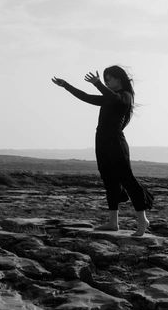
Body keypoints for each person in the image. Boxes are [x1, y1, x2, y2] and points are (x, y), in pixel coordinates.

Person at [52, 66, 154, 236]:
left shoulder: (125, 97)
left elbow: (114, 97)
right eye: (105, 79)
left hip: (116, 143)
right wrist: (66, 85)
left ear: (119, 79)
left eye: (110, 78)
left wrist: (98, 83)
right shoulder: (108, 98)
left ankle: (142, 220)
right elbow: (85, 97)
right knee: (109, 181)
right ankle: (113, 223)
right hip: (101, 142)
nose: (107, 81)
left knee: (127, 180)